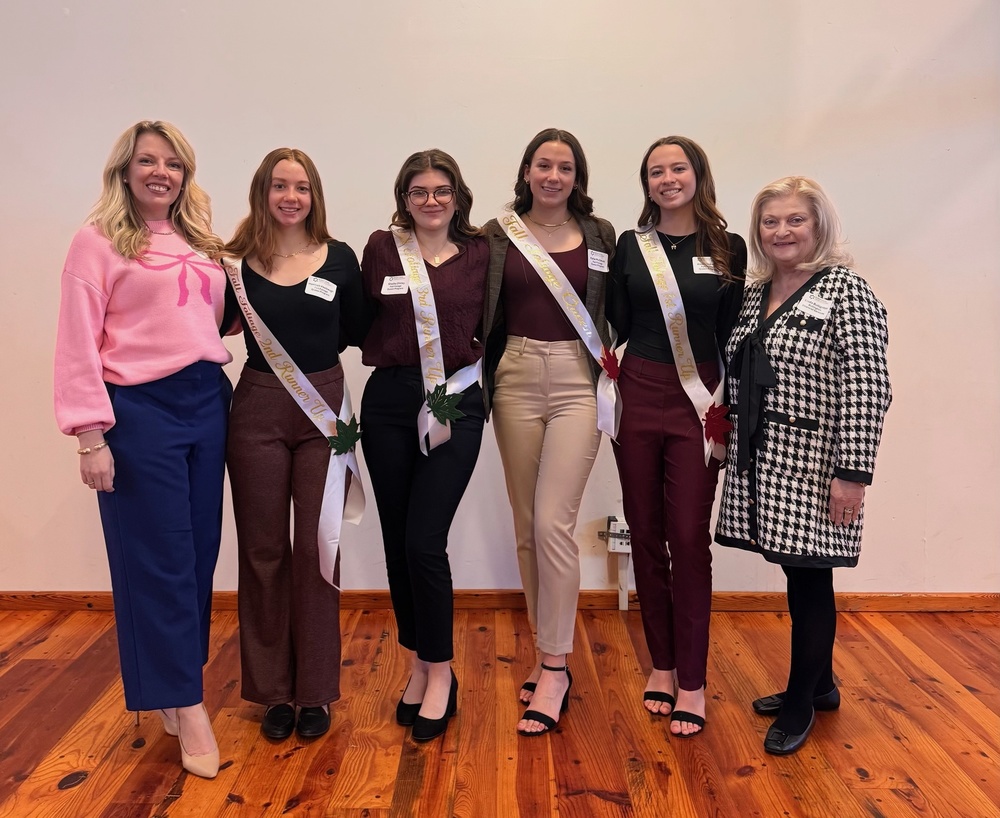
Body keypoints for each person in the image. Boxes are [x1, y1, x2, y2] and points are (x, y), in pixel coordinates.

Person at [54, 121, 231, 778]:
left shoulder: (201, 241)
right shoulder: (95, 242)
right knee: (155, 560)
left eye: (174, 163)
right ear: (124, 171)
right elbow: (76, 342)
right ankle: (185, 703)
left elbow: (208, 320)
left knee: (196, 555)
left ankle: (172, 682)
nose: (161, 172)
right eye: (147, 161)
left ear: (186, 174)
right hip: (138, 412)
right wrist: (90, 437)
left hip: (206, 401)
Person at [715, 176, 891, 755]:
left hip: (817, 466)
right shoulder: (755, 291)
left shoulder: (846, 292)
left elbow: (868, 389)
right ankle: (822, 685)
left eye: (795, 220)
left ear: (819, 226)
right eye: (770, 222)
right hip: (766, 462)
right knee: (797, 574)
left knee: (812, 578)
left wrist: (853, 474)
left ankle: (800, 701)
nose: (781, 232)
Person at [223, 149, 369, 741]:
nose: (291, 196)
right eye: (280, 185)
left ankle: (314, 692)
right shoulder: (234, 265)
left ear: (315, 196)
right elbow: (207, 328)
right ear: (262, 191)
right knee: (262, 553)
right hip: (255, 407)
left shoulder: (340, 259)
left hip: (323, 409)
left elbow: (357, 329)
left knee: (317, 549)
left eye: (301, 187)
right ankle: (272, 692)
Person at [607, 136, 746, 737]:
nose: (668, 179)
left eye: (678, 168)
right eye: (656, 171)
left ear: (698, 175)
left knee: (688, 536)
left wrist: (731, 404)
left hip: (699, 400)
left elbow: (737, 330)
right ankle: (660, 665)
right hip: (637, 391)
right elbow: (613, 316)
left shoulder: (730, 247)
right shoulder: (629, 246)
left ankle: (693, 678)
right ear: (647, 182)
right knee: (644, 531)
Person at [483, 128, 617, 736]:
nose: (553, 176)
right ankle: (545, 649)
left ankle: (557, 664)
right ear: (527, 170)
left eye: (565, 167)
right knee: (526, 527)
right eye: (544, 165)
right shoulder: (495, 234)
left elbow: (626, 305)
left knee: (553, 522)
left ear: (576, 176)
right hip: (513, 374)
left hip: (575, 379)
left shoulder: (601, 236)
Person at [359, 149, 487, 742]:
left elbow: (500, 324)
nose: (430, 201)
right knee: (395, 539)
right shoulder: (382, 249)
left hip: (455, 401)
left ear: (457, 195)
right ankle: (418, 663)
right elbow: (360, 321)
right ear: (403, 197)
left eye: (441, 190)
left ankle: (442, 672)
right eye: (418, 192)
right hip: (388, 401)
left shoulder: (482, 254)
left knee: (424, 540)